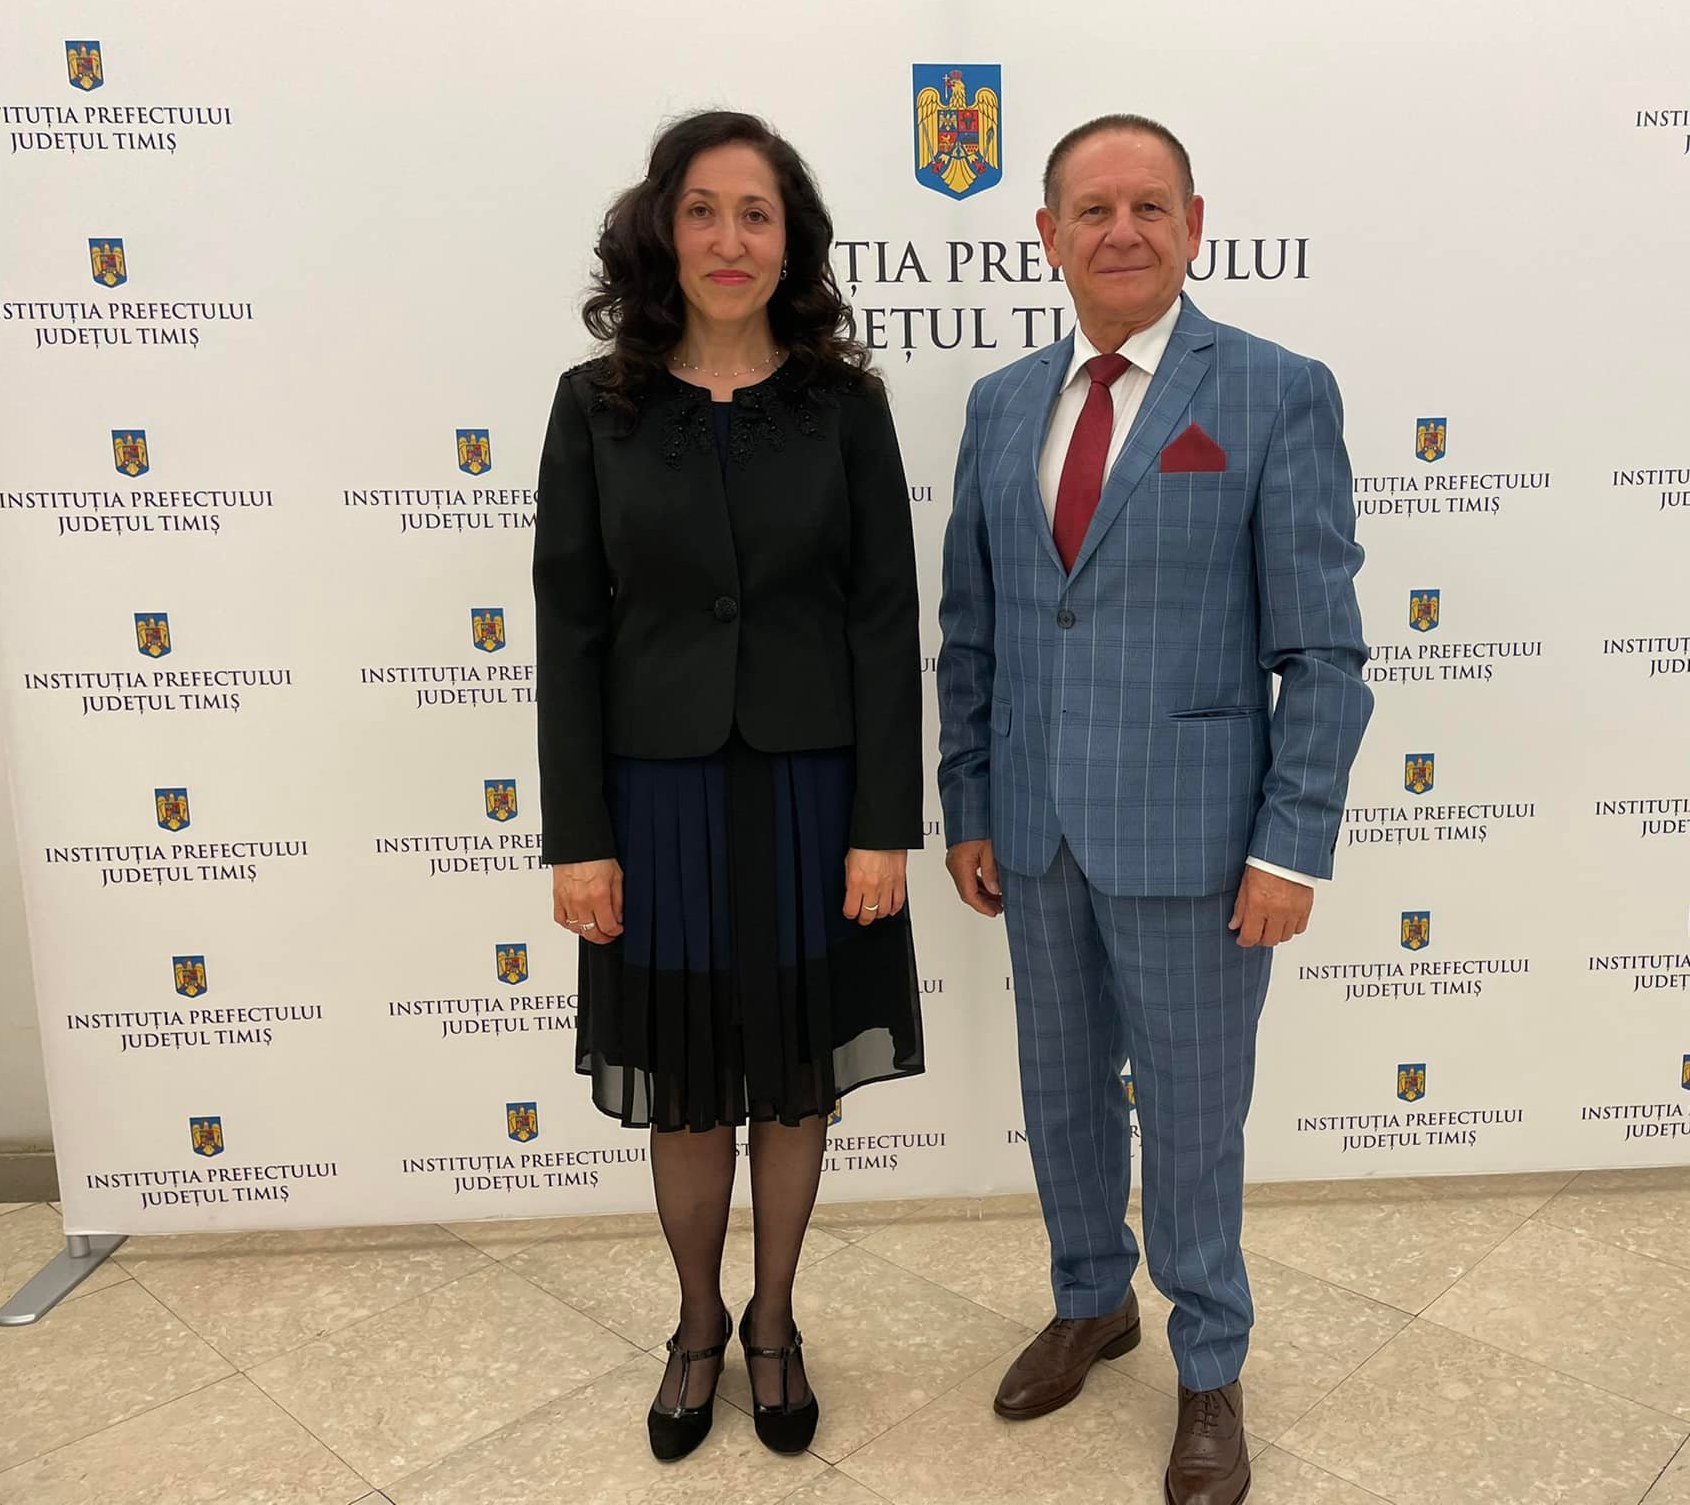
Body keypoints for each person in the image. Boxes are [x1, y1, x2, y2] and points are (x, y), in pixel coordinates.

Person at [936, 115, 1372, 1505]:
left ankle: (1209, 1364)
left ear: (1193, 224)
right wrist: (967, 799)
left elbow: (1324, 652)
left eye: (1147, 206)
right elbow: (974, 628)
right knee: (1061, 1091)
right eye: (1091, 208)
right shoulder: (1002, 404)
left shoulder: (1274, 392)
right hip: (1036, 830)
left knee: (1191, 1114)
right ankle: (1090, 1300)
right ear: (1047, 236)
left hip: (1198, 842)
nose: (1119, 229)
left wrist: (1290, 845)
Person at [534, 110, 924, 1465]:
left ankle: (775, 1322)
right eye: (703, 210)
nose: (729, 238)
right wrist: (577, 837)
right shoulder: (596, 404)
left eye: (756, 213)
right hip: (657, 802)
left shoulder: (844, 405)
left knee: (794, 1073)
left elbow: (883, 620)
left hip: (814, 795)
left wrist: (884, 826)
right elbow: (570, 628)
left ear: (790, 240)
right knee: (690, 1078)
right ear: (663, 229)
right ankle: (698, 1325)